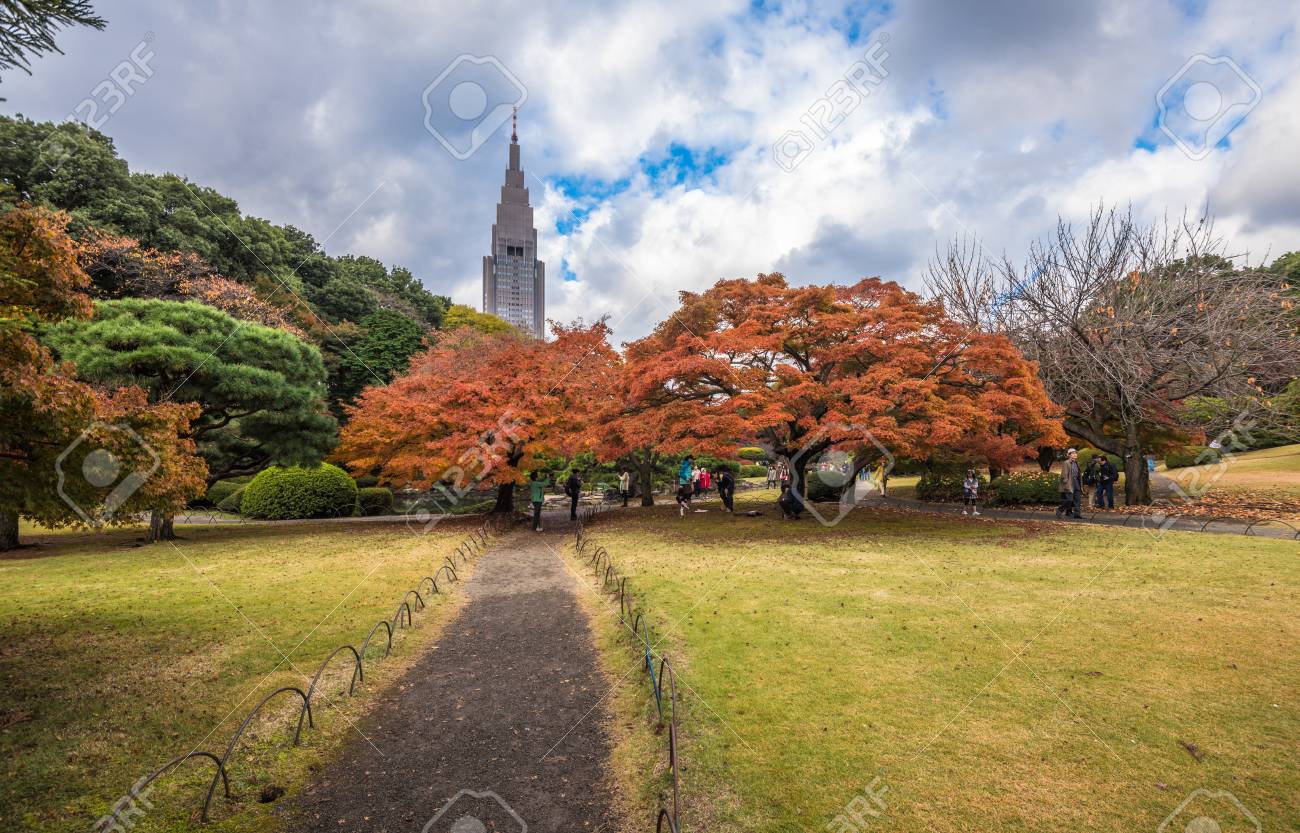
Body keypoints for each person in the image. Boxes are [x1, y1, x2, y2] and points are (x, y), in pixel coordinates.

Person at [1056, 448, 1082, 519]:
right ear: (1069, 455)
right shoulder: (1066, 463)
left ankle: (1077, 514)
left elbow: (1078, 474)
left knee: (1077, 499)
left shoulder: (1076, 462)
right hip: (1069, 482)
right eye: (1073, 453)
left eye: (1075, 453)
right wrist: (1066, 484)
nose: (1075, 454)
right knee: (1069, 500)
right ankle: (1060, 510)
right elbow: (1064, 475)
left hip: (1076, 482)